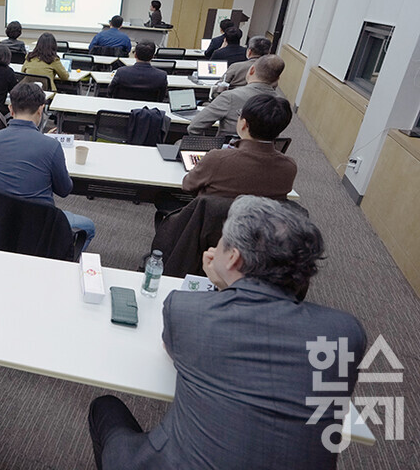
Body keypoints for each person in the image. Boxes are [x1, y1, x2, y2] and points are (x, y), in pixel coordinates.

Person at [88, 195, 366, 470]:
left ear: (233, 257)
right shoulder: (345, 332)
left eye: (220, 242)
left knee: (105, 407)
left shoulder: (187, 310)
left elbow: (178, 349)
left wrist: (223, 285)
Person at [0, 82, 96, 247]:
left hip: (3, 218)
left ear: (10, 109)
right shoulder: (51, 146)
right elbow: (64, 190)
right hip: (41, 221)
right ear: (40, 110)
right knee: (89, 227)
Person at [183, 93, 297, 199]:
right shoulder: (289, 168)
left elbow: (188, 186)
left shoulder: (217, 159)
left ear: (243, 124)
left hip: (210, 219)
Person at [187, 54, 285, 137]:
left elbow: (194, 127)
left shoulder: (230, 96)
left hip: (225, 155)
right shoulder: (282, 104)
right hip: (264, 158)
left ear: (251, 70)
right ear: (278, 78)